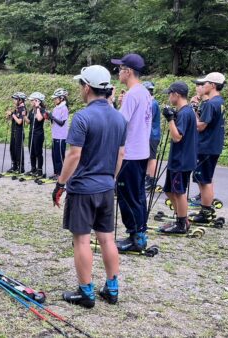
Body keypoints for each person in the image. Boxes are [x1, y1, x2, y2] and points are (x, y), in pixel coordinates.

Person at [52, 65, 126, 309]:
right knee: (107, 239)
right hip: (106, 187)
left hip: (83, 188)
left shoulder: (83, 117)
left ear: (87, 87)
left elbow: (74, 155)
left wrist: (60, 183)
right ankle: (112, 289)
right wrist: (110, 179)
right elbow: (121, 154)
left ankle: (86, 292)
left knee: (82, 241)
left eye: (80, 85)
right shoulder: (118, 117)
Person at [111, 53, 152, 253]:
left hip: (130, 153)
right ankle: (140, 233)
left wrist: (110, 105)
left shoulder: (132, 94)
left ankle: (134, 236)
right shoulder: (144, 92)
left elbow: (120, 122)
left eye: (120, 69)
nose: (118, 73)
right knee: (138, 195)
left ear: (128, 71)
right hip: (142, 152)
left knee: (127, 195)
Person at [158, 81, 198, 233]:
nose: (169, 97)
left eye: (169, 94)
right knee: (169, 189)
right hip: (178, 159)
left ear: (176, 94)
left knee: (179, 192)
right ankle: (181, 217)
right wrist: (173, 118)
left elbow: (177, 137)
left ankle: (182, 224)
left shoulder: (185, 113)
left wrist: (170, 119)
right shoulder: (184, 112)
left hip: (181, 160)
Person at [190, 72, 226, 223]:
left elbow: (201, 126)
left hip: (206, 146)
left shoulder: (211, 103)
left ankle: (205, 213)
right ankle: (207, 209)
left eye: (205, 84)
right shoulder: (219, 101)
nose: (202, 86)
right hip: (213, 146)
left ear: (212, 85)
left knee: (204, 180)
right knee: (206, 178)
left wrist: (190, 113)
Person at [143, 82, 161, 190]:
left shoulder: (152, 103)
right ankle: (148, 178)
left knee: (151, 158)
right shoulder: (150, 103)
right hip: (150, 135)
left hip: (152, 135)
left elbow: (147, 119)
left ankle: (152, 180)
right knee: (148, 157)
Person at [24, 92, 46, 178]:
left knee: (38, 152)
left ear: (37, 101)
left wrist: (37, 107)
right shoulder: (31, 110)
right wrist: (24, 116)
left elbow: (40, 118)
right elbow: (29, 122)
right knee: (31, 152)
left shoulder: (41, 110)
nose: (31, 102)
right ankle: (33, 169)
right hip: (31, 133)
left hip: (39, 134)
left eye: (32, 100)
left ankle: (39, 170)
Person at [49, 88, 69, 179]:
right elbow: (53, 121)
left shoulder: (64, 108)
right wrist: (49, 117)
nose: (54, 100)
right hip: (55, 135)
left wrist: (52, 117)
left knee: (60, 156)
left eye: (56, 98)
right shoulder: (55, 108)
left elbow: (62, 123)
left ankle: (61, 174)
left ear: (61, 98)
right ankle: (56, 172)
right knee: (54, 155)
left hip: (61, 136)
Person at [6, 92, 27, 173]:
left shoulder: (23, 109)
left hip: (19, 131)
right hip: (13, 131)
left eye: (15, 99)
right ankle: (14, 165)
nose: (14, 101)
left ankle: (21, 167)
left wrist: (13, 115)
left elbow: (19, 122)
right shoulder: (16, 108)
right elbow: (12, 119)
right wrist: (9, 116)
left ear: (20, 100)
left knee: (18, 150)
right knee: (12, 149)